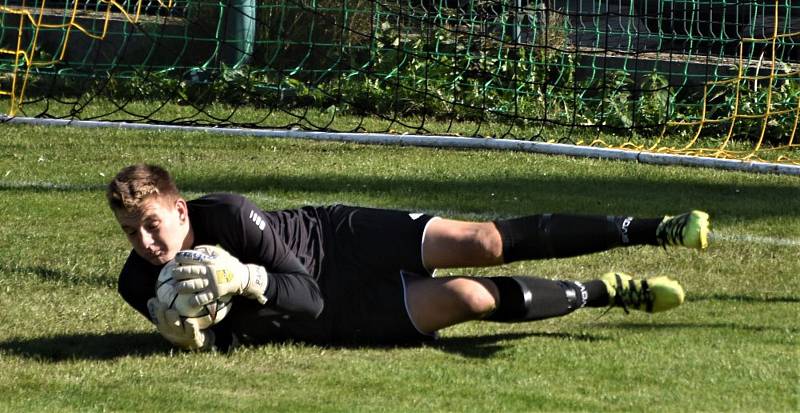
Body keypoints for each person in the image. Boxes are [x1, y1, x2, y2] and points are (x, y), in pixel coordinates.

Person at [107, 164, 710, 351]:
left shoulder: (231, 216)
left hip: (338, 239)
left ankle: (652, 228)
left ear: (181, 210)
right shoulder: (140, 284)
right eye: (132, 233)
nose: (147, 244)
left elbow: (299, 285)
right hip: (339, 311)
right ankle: (607, 290)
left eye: (153, 225)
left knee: (483, 242)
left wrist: (242, 275)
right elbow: (310, 312)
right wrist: (199, 340)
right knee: (470, 297)